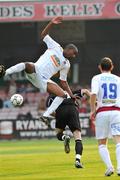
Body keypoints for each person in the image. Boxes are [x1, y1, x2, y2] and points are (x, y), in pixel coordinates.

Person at [0, 16, 78, 121]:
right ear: (68, 49)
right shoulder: (56, 47)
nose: (73, 56)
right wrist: (51, 23)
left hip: (43, 81)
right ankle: (4, 73)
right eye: (73, 53)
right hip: (35, 71)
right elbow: (44, 35)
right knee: (27, 64)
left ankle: (46, 115)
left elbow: (63, 82)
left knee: (63, 95)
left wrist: (71, 95)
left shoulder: (66, 64)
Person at [90, 57, 120, 176]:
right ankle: (119, 168)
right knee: (118, 141)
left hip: (102, 112)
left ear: (100, 67)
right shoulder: (118, 79)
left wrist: (92, 110)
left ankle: (109, 167)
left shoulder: (96, 78)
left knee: (102, 143)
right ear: (112, 67)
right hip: (117, 112)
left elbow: (93, 94)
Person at [45, 88, 90, 168]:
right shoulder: (71, 91)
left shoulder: (51, 97)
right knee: (78, 138)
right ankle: (77, 160)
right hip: (73, 109)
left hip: (61, 110)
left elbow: (50, 112)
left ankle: (64, 137)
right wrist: (94, 101)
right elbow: (86, 91)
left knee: (59, 133)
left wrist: (58, 116)